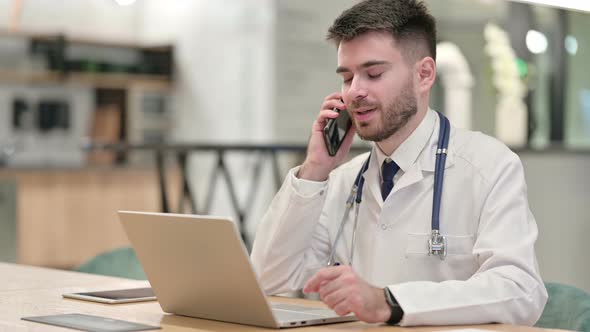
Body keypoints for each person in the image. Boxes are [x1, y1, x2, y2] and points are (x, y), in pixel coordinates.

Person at [251, 0, 547, 327]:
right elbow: (269, 282)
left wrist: (389, 302)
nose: (355, 92)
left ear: (424, 74)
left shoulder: (488, 165)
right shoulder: (342, 180)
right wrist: (314, 169)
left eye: (373, 73)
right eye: (347, 78)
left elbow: (521, 291)